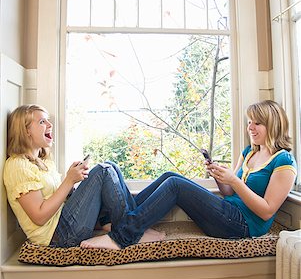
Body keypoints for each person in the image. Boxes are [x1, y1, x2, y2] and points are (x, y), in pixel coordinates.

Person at [80, 100, 297, 250]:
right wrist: (219, 176)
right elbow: (229, 191)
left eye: (256, 123)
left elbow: (267, 211)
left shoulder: (283, 161)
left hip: (243, 226)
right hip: (229, 211)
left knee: (175, 185)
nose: (250, 127)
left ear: (272, 124)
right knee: (169, 176)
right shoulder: (249, 153)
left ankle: (121, 236)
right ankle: (129, 227)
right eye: (249, 122)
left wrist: (233, 180)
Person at [3, 104, 164, 247]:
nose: (50, 124)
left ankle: (119, 226)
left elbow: (55, 199)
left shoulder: (43, 161)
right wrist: (68, 181)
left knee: (111, 165)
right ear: (26, 131)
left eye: (47, 120)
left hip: (63, 221)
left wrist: (71, 183)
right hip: (58, 237)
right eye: (42, 122)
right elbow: (39, 217)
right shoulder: (18, 166)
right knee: (103, 170)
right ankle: (129, 234)